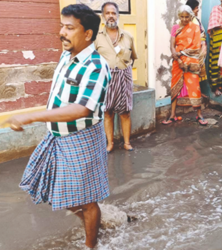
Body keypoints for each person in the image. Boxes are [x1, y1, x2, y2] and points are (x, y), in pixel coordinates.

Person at [2, 4, 111, 249]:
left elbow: (82, 108)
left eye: (70, 28)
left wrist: (31, 117)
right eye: (62, 26)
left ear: (88, 34)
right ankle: (94, 223)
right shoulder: (66, 55)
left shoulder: (96, 65)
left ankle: (91, 244)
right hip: (56, 137)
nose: (62, 32)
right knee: (56, 191)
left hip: (82, 139)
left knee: (87, 200)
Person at [95, 2, 137, 152]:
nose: (111, 16)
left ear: (118, 15)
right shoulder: (96, 37)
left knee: (125, 112)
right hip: (105, 79)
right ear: (103, 16)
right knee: (108, 112)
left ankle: (126, 142)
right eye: (108, 13)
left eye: (114, 13)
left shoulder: (128, 36)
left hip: (124, 77)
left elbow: (133, 57)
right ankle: (110, 143)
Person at [162, 5, 208, 126]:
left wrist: (181, 54)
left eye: (186, 17)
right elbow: (172, 44)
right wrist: (175, 55)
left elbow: (196, 46)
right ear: (179, 16)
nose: (184, 19)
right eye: (181, 17)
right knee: (174, 86)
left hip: (190, 61)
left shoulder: (195, 28)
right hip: (177, 60)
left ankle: (199, 115)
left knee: (194, 86)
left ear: (190, 16)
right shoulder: (175, 28)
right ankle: (173, 115)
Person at [186, 0, 207, 83]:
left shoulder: (196, 20)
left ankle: (197, 90)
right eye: (196, 8)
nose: (198, 10)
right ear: (191, 10)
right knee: (192, 70)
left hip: (200, 49)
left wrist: (204, 47)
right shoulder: (187, 22)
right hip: (193, 50)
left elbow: (201, 33)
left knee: (199, 69)